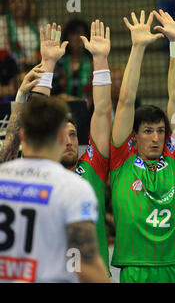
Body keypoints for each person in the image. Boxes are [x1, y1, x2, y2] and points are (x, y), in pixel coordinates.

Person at [0, 21, 112, 274]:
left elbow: (103, 111)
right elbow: (37, 120)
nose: (70, 140)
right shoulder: (65, 185)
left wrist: (100, 60)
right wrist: (47, 66)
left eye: (74, 134)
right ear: (55, 139)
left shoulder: (91, 166)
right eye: (63, 134)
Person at [110, 9, 175, 283]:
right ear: (134, 137)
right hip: (136, 269)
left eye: (160, 131)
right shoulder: (121, 158)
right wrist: (137, 47)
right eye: (148, 131)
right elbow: (125, 101)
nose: (156, 137)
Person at [0, 96, 109, 283]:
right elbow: (87, 265)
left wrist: (22, 96)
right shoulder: (72, 187)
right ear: (60, 137)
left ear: (23, 136)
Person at [0, 0, 46, 70]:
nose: (17, 5)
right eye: (13, 1)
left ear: (28, 3)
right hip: (12, 74)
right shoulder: (2, 24)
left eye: (21, 0)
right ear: (7, 4)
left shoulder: (40, 24)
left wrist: (36, 58)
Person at [53, 19, 93, 105]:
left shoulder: (93, 63)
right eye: (73, 33)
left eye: (80, 33)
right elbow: (54, 92)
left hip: (88, 110)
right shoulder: (59, 63)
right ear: (67, 37)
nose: (77, 37)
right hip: (62, 108)